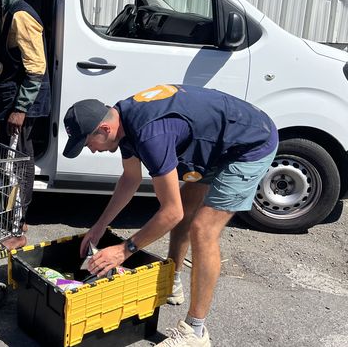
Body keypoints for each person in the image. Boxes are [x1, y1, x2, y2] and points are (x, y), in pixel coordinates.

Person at [62, 84, 277, 347]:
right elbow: (130, 179)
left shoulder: (149, 133)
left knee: (203, 230)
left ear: (105, 129)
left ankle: (195, 332)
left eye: (89, 143)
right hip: (217, 141)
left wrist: (124, 249)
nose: (92, 150)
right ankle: (171, 278)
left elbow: (170, 213)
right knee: (186, 207)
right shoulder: (124, 121)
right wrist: (98, 227)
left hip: (250, 144)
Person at [0, 0, 51, 259]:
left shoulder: (21, 16)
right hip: (12, 99)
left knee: (19, 165)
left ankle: (16, 233)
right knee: (14, 163)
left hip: (23, 103)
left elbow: (36, 69)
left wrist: (20, 109)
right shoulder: (10, 13)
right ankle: (14, 222)